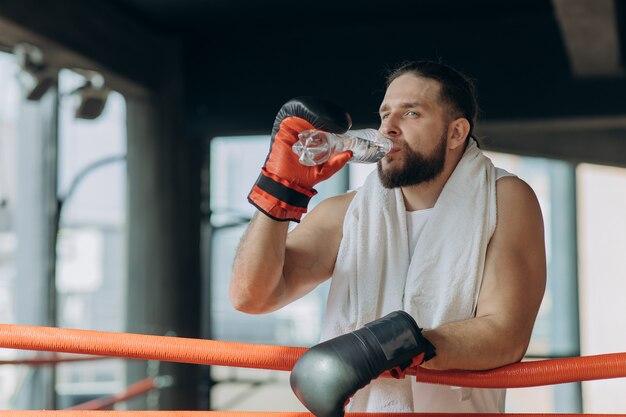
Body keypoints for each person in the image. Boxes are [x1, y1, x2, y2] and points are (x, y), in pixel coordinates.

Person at [230, 61, 546, 413]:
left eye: (411, 113)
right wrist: (279, 190)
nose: (389, 128)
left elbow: (506, 334)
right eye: (384, 114)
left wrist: (382, 347)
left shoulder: (504, 198)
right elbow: (251, 296)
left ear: (456, 133)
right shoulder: (347, 213)